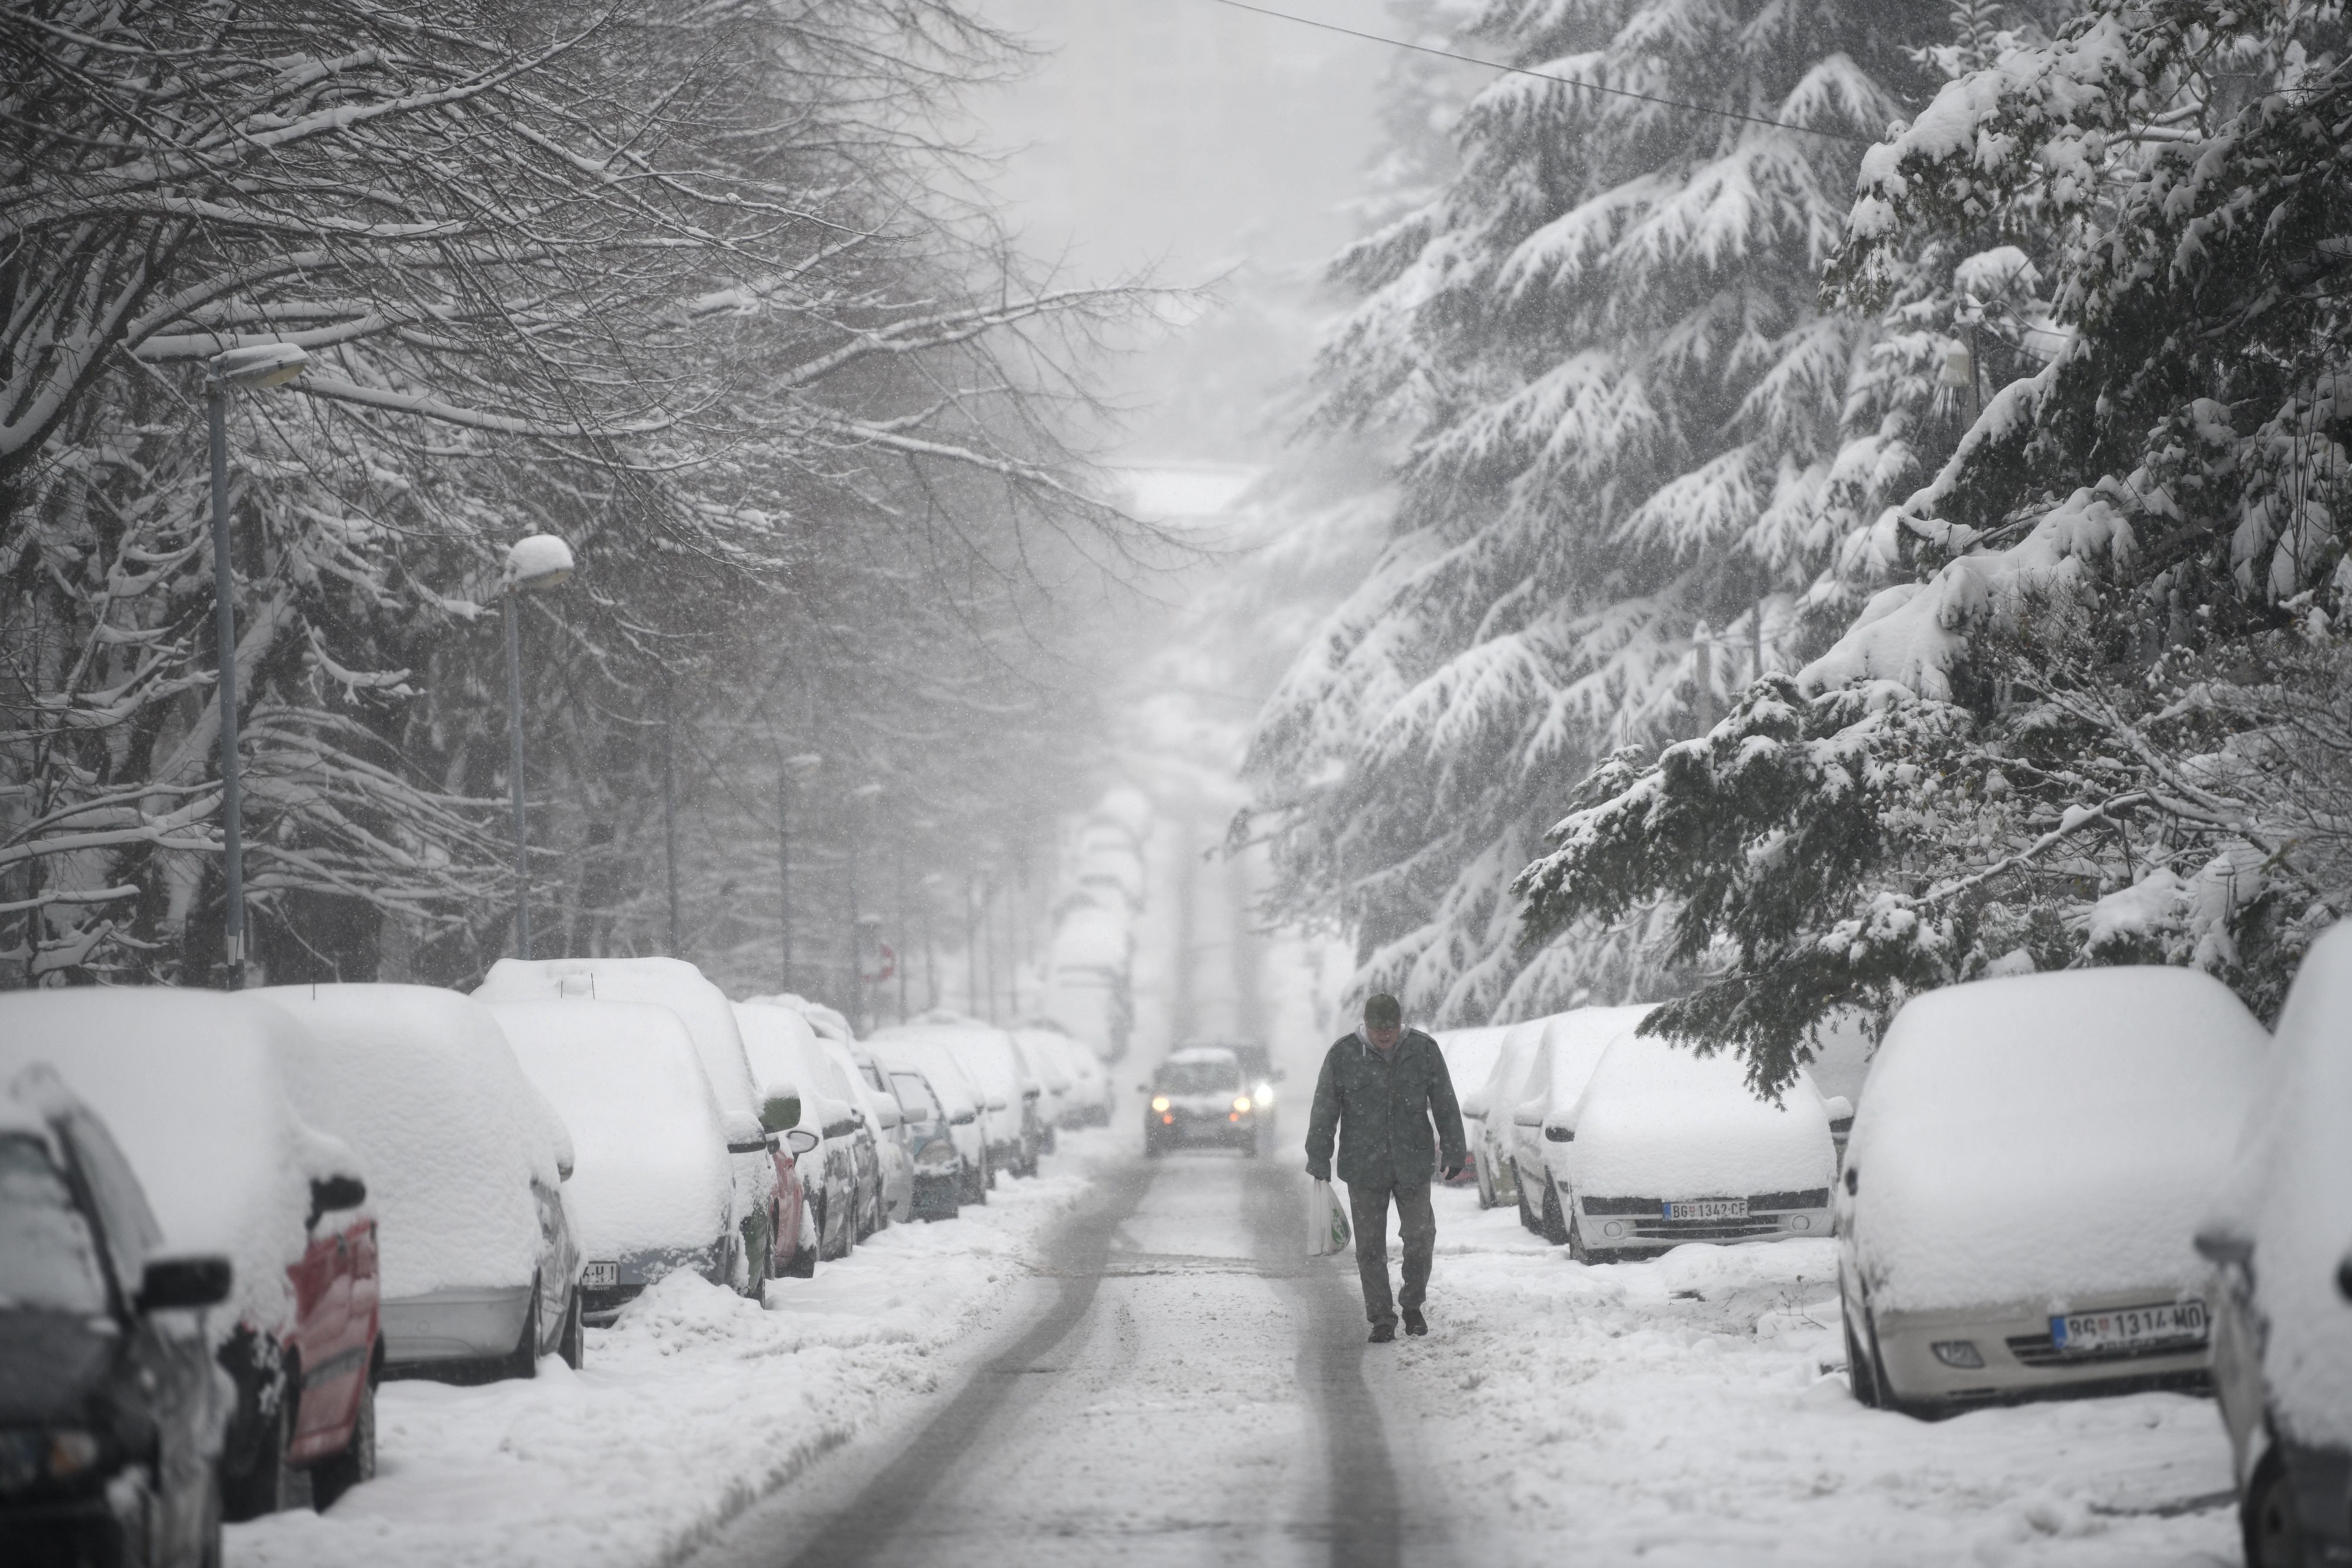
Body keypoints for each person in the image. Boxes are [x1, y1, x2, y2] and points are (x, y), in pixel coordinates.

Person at [1304, 992, 1465, 1342]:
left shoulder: (1423, 1050)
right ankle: (1381, 1317)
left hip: (1414, 1162)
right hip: (1363, 1167)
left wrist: (1454, 1149)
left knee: (1420, 1238)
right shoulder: (1344, 1055)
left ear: (1400, 1023)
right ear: (1366, 1024)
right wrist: (1319, 1156)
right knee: (1370, 1247)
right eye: (1379, 1029)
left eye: (1391, 1028)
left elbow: (1445, 1103)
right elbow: (1325, 1109)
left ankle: (1412, 1305)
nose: (1386, 1035)